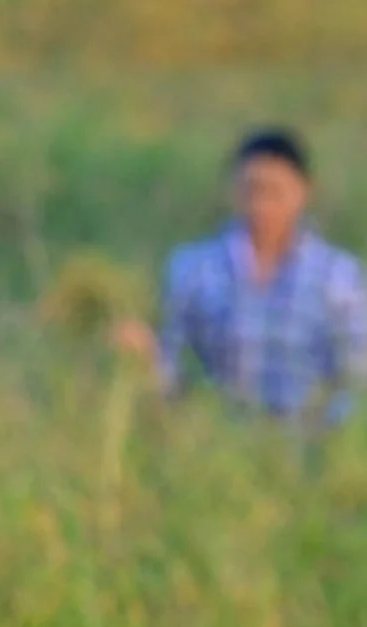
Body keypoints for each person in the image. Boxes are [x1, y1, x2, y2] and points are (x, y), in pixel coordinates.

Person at [115, 128, 367, 424]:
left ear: (304, 191)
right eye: (251, 190)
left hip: (309, 444)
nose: (261, 205)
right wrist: (145, 355)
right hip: (214, 442)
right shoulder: (193, 268)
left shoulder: (337, 276)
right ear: (233, 189)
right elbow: (175, 370)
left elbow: (356, 377)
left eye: (275, 192)